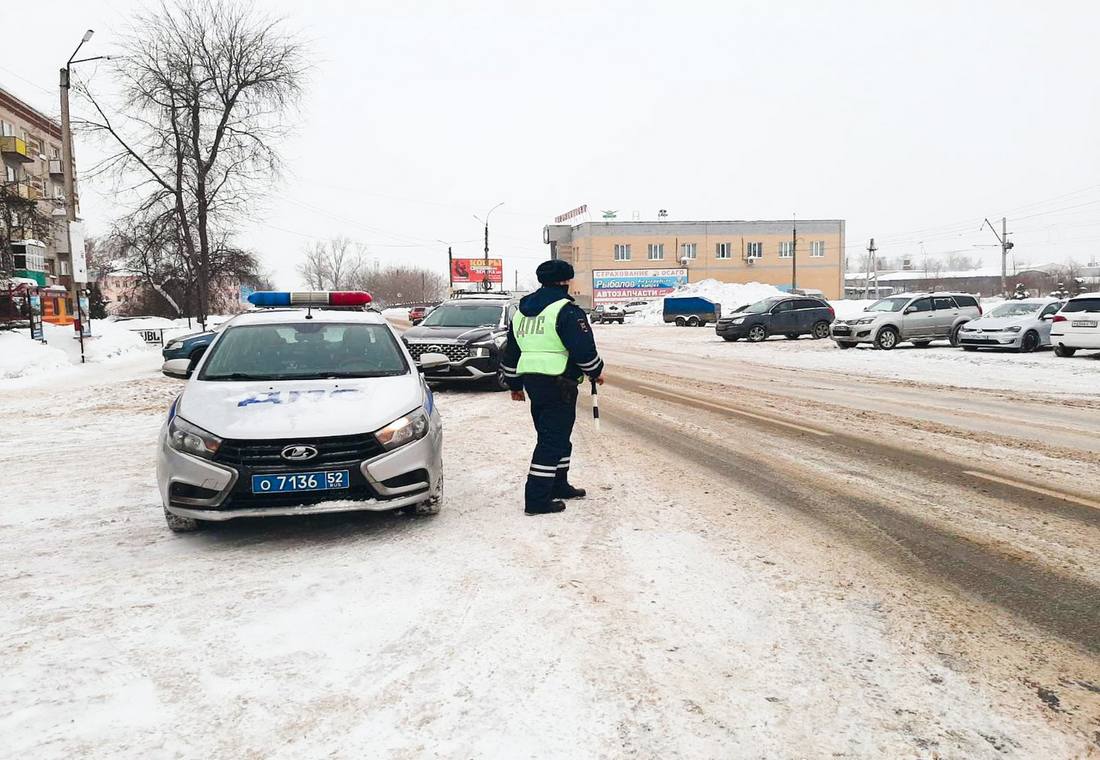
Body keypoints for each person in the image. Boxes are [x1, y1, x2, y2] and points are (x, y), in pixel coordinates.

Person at [500, 260, 605, 515]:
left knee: (556, 435)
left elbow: (511, 352)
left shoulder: (522, 312)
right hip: (560, 382)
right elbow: (583, 348)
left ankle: (558, 484)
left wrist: (514, 384)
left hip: (534, 382)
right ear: (565, 280)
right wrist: (595, 371)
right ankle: (537, 499)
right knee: (552, 440)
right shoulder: (566, 310)